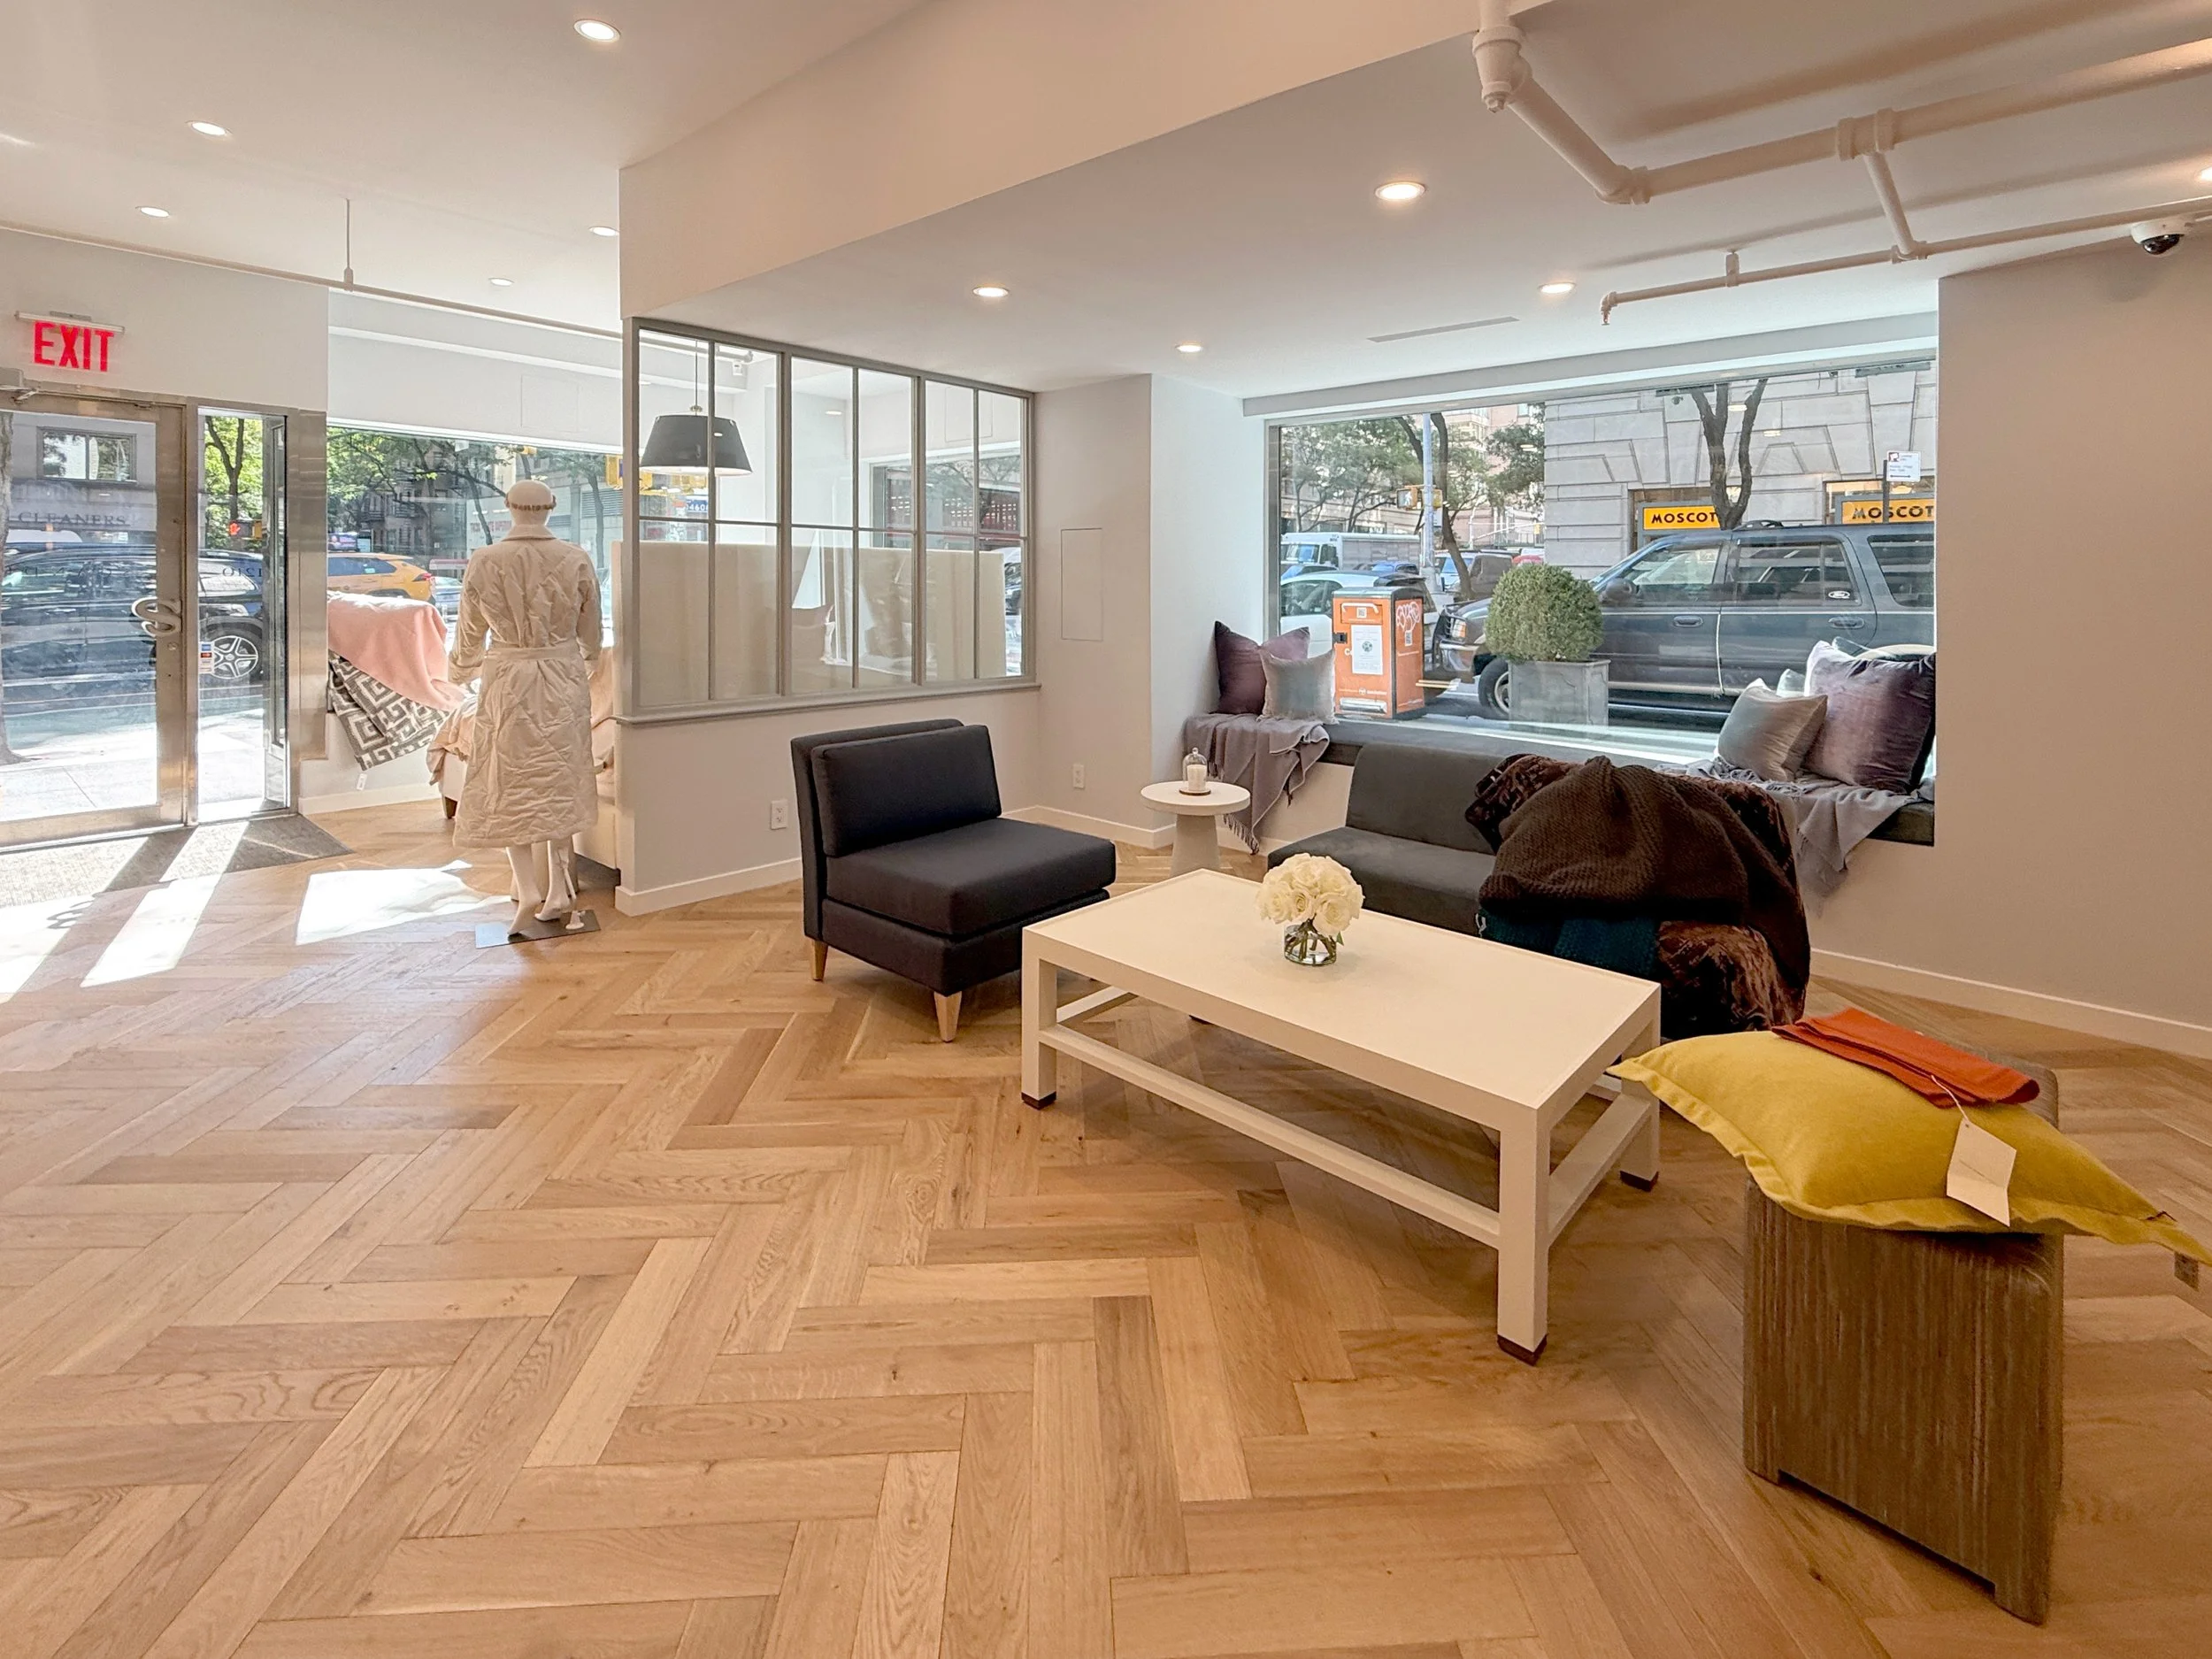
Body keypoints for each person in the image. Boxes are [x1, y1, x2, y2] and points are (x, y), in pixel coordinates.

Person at [448, 479, 603, 933]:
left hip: (508, 674)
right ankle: (558, 888)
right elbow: (590, 628)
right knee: (560, 776)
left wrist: (460, 669)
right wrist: (588, 659)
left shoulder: (485, 559)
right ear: (551, 508)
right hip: (561, 673)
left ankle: (529, 888)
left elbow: (470, 628)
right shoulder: (574, 558)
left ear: (509, 507)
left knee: (507, 781)